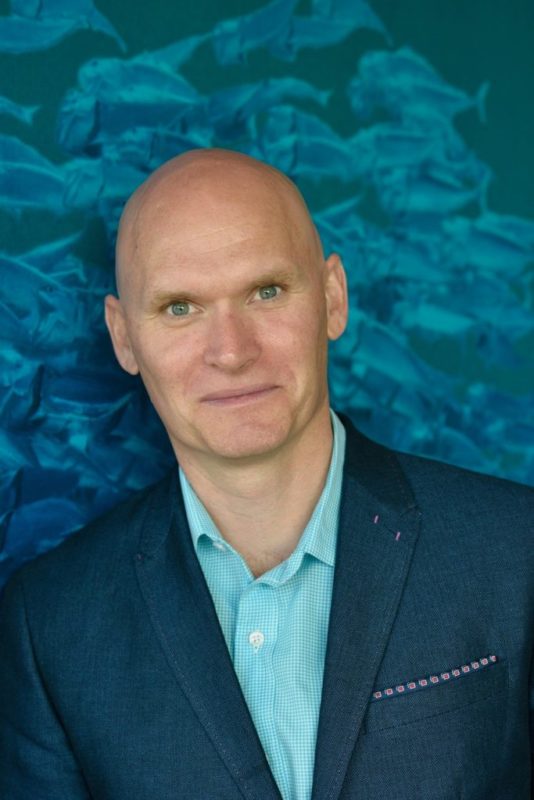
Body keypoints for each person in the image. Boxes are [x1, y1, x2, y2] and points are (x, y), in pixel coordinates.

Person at [0, 149, 532, 800]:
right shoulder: (49, 626)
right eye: (179, 307)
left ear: (333, 298)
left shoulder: (517, 549)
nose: (231, 351)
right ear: (123, 337)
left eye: (267, 291)